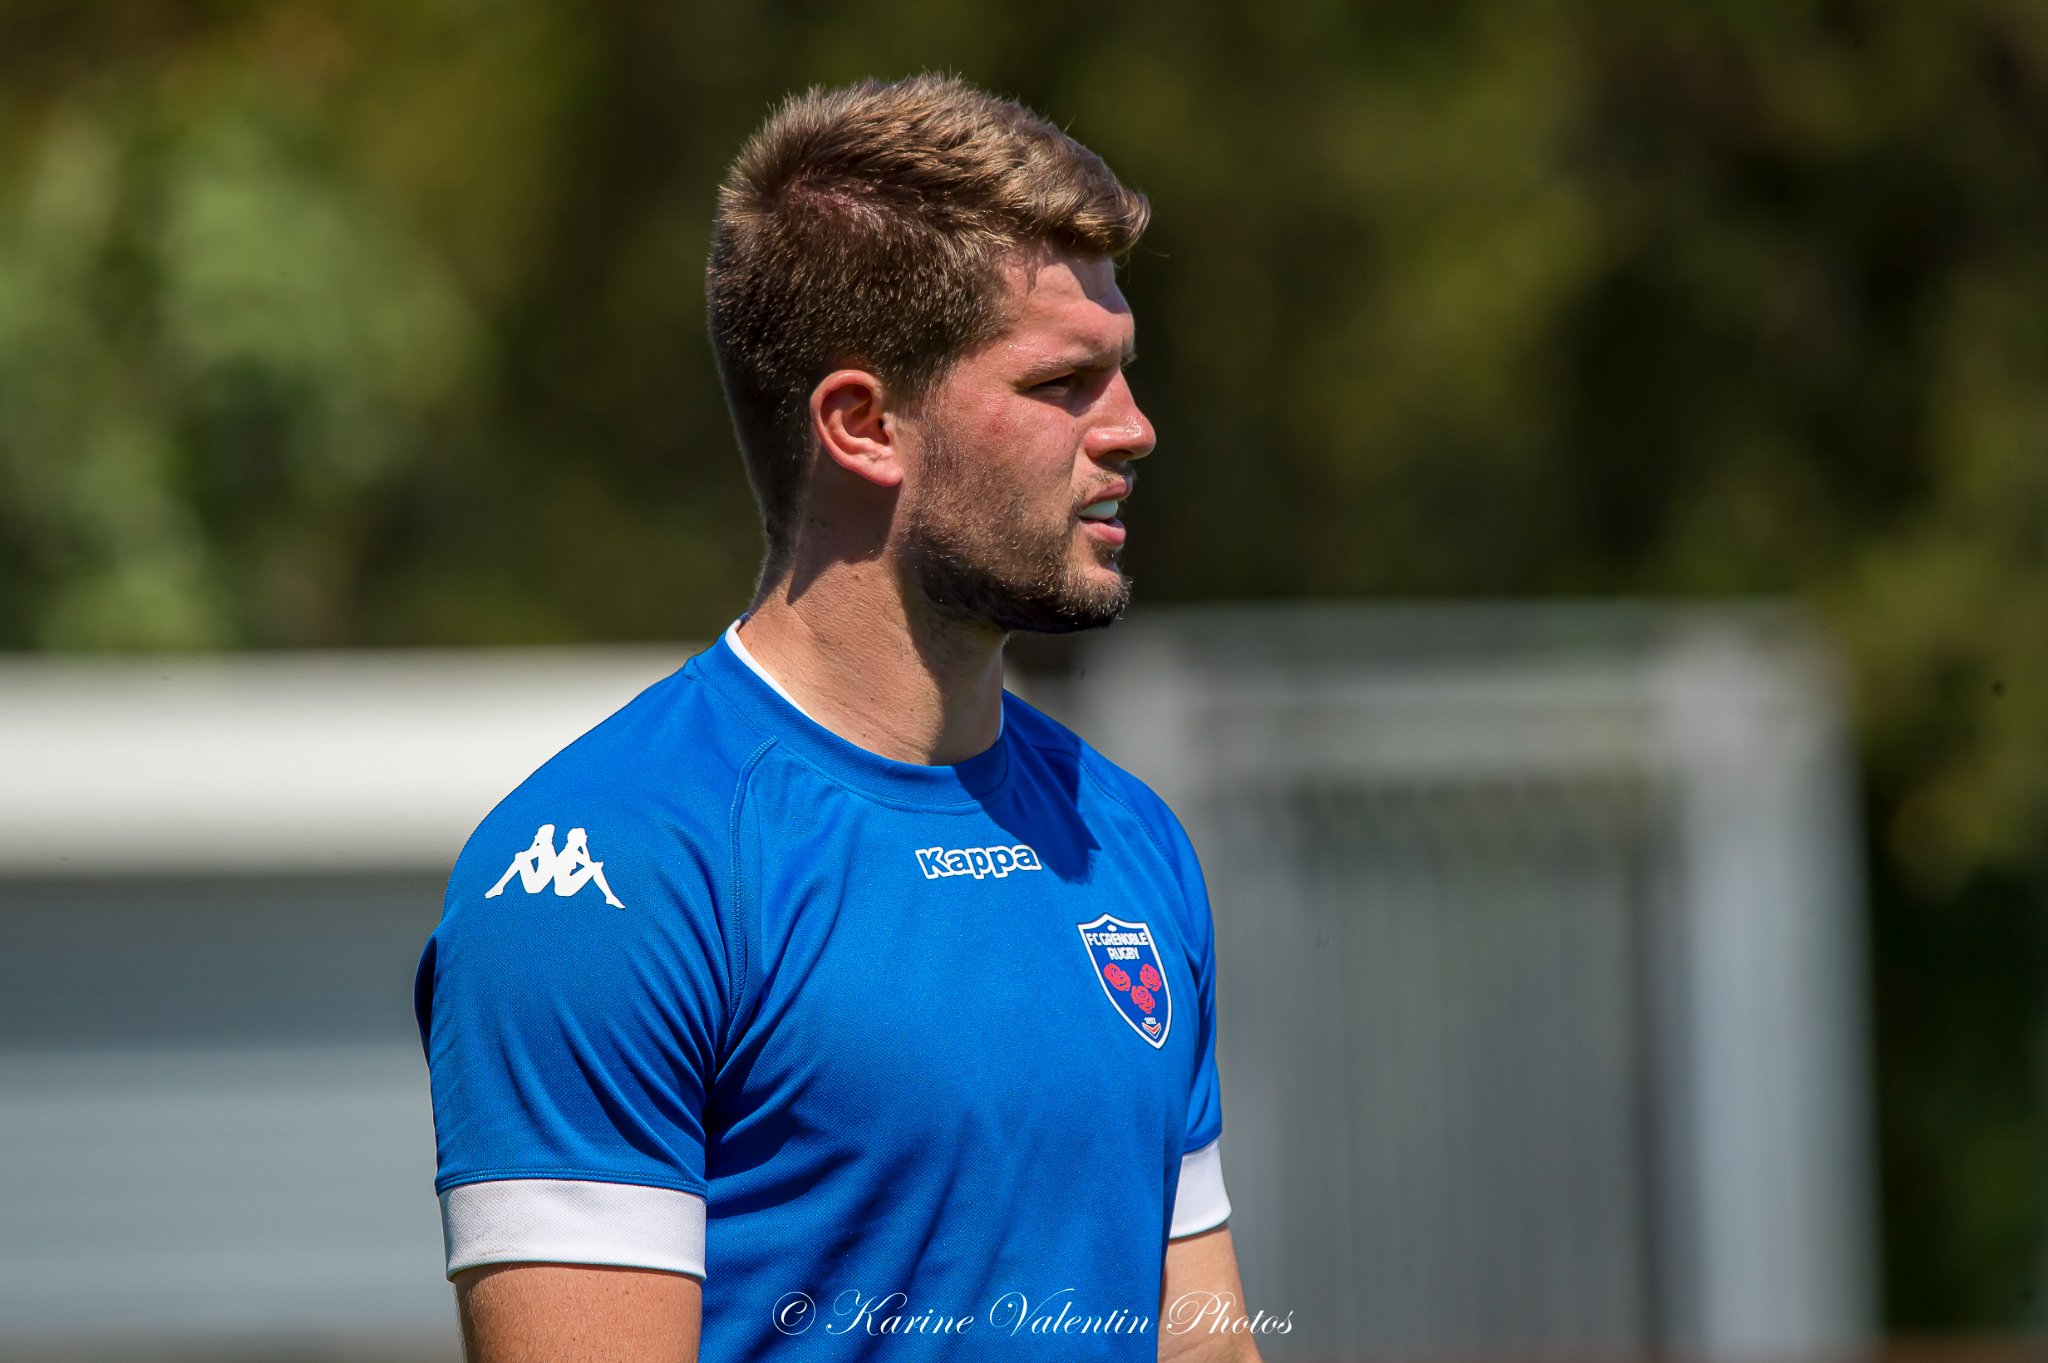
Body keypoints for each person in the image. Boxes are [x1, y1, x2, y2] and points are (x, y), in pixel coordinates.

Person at [415, 73, 1265, 1362]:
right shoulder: (610, 872)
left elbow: (1199, 1345)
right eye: (1063, 384)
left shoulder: (1127, 838)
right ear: (865, 426)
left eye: (1126, 374)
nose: (1134, 429)